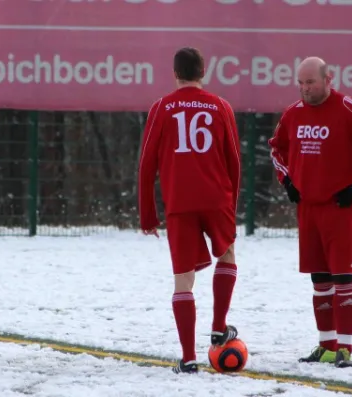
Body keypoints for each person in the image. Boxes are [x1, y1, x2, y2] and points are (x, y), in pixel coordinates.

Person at [268, 56, 352, 368]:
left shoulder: (350, 109)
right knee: (319, 280)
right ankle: (326, 345)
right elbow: (276, 148)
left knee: (343, 277)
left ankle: (345, 348)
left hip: (341, 208)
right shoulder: (293, 113)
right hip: (309, 210)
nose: (305, 89)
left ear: (328, 79)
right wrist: (287, 181)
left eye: (310, 82)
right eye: (300, 83)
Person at [137, 47, 242, 374]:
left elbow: (146, 165)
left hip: (179, 202)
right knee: (227, 255)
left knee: (183, 280)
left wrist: (147, 215)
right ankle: (218, 326)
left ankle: (188, 357)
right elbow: (234, 161)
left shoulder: (162, 107)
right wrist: (231, 204)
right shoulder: (221, 106)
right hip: (216, 199)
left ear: (175, 73)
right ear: (204, 72)